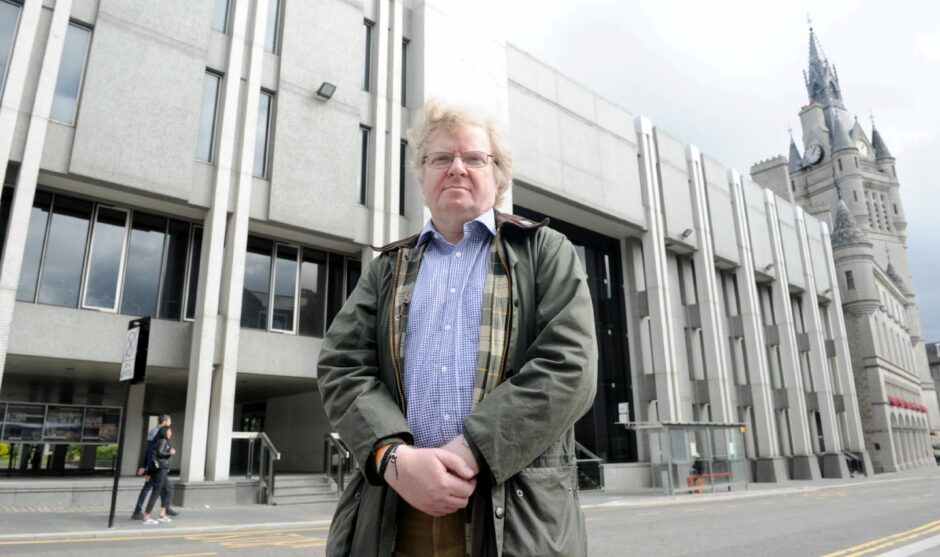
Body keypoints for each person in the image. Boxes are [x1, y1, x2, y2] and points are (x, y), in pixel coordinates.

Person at [318, 100, 597, 556]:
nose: (456, 168)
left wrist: (473, 449)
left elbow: (570, 368)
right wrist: (393, 458)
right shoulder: (388, 267)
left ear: (498, 174)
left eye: (473, 158)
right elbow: (341, 365)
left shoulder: (545, 251)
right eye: (440, 158)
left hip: (512, 516)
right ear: (422, 175)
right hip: (394, 512)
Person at [131, 414, 178, 520]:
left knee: (163, 488)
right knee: (149, 488)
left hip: (156, 466)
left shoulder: (157, 432)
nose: (171, 423)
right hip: (155, 467)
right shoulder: (158, 433)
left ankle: (164, 509)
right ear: (165, 421)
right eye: (169, 421)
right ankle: (138, 511)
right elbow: (151, 452)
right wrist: (146, 468)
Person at [141, 425, 176, 525]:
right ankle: (146, 517)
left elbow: (156, 455)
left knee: (168, 490)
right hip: (161, 470)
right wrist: (170, 452)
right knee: (156, 493)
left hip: (161, 470)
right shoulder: (163, 441)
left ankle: (162, 514)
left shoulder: (161, 441)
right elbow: (160, 453)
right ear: (165, 432)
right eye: (169, 431)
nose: (171, 433)